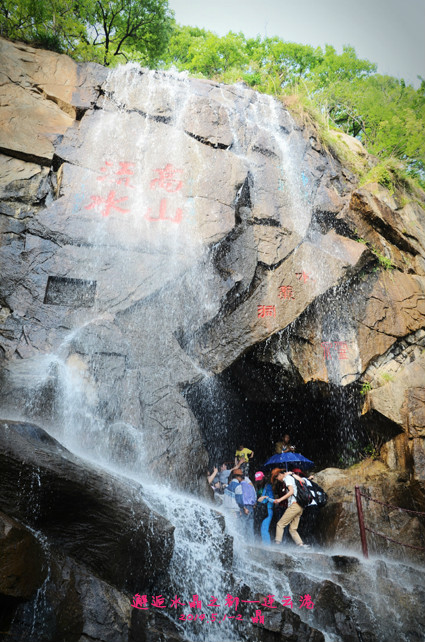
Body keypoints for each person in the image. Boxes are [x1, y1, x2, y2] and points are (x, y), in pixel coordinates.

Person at [273, 470, 310, 548]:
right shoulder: (292, 477)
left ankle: (277, 544)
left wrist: (279, 500)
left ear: (280, 474)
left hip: (294, 505)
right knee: (292, 528)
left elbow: (291, 492)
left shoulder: (287, 478)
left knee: (280, 524)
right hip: (300, 506)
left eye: (276, 477)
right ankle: (300, 545)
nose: (277, 479)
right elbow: (303, 481)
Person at [295, 468, 319, 545]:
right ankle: (313, 545)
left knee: (306, 530)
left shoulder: (301, 481)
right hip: (314, 506)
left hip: (310, 507)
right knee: (308, 529)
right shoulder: (307, 480)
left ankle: (314, 546)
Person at [234, 470, 256, 538]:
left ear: (239, 478)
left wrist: (242, 507)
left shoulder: (239, 486)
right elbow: (254, 497)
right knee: (250, 527)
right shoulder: (251, 486)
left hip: (244, 507)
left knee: (242, 526)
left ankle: (242, 543)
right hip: (251, 507)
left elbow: (240, 498)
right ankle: (251, 544)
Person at [256, 472, 275, 545]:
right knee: (262, 529)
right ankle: (265, 544)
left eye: (260, 480)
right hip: (262, 509)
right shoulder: (261, 487)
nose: (259, 482)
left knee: (264, 529)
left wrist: (263, 498)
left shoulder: (268, 486)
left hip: (268, 509)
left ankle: (267, 546)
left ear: (263, 479)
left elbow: (271, 498)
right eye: (257, 481)